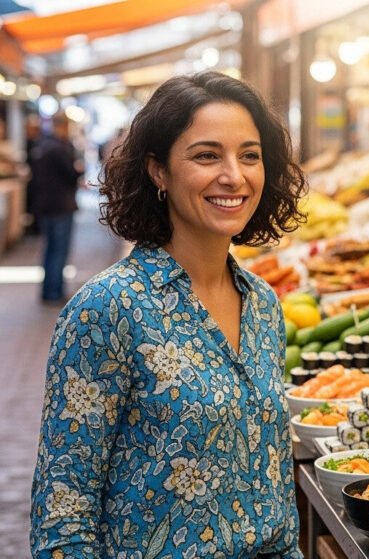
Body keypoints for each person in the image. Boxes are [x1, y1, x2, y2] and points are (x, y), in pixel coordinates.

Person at [30, 72, 307, 557]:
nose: (234, 176)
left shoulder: (263, 303)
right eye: (206, 155)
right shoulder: (108, 309)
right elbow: (63, 515)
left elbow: (274, 488)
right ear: (158, 170)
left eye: (249, 155)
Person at [29, 112, 82, 303]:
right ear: (63, 126)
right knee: (59, 249)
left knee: (49, 249)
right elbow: (71, 174)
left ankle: (47, 290)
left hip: (44, 205)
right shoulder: (59, 148)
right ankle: (55, 292)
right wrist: (78, 169)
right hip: (61, 205)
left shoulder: (41, 145)